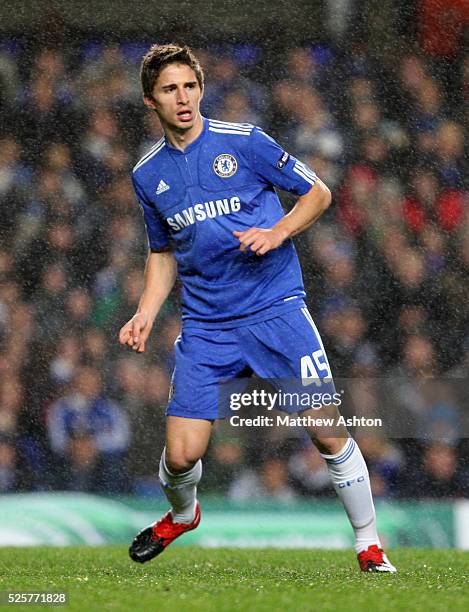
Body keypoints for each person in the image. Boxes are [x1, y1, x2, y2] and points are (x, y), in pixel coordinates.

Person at [119, 44, 396, 573]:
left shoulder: (244, 143)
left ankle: (369, 544)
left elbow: (317, 193)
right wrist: (146, 312)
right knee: (181, 454)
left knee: (328, 431)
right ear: (150, 101)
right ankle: (182, 515)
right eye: (170, 90)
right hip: (206, 324)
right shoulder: (147, 174)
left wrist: (278, 231)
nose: (184, 99)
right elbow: (161, 252)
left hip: (276, 309)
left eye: (190, 86)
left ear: (201, 89)